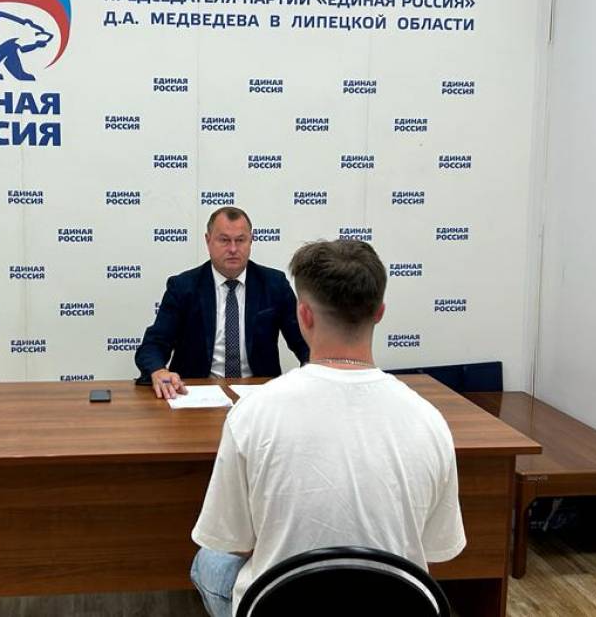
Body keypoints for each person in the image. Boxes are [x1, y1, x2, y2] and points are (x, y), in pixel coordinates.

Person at [189, 239, 465, 617]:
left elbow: (231, 540)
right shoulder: (429, 421)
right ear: (380, 312)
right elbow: (436, 549)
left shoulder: (252, 415)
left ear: (304, 315)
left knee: (209, 559)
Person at [135, 207, 309, 399]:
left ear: (251, 241)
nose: (233, 249)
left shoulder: (274, 284)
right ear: (208, 241)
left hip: (258, 395)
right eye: (224, 240)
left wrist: (314, 371)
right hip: (195, 395)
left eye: (240, 240)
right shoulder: (183, 287)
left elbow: (304, 341)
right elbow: (154, 345)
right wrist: (159, 371)